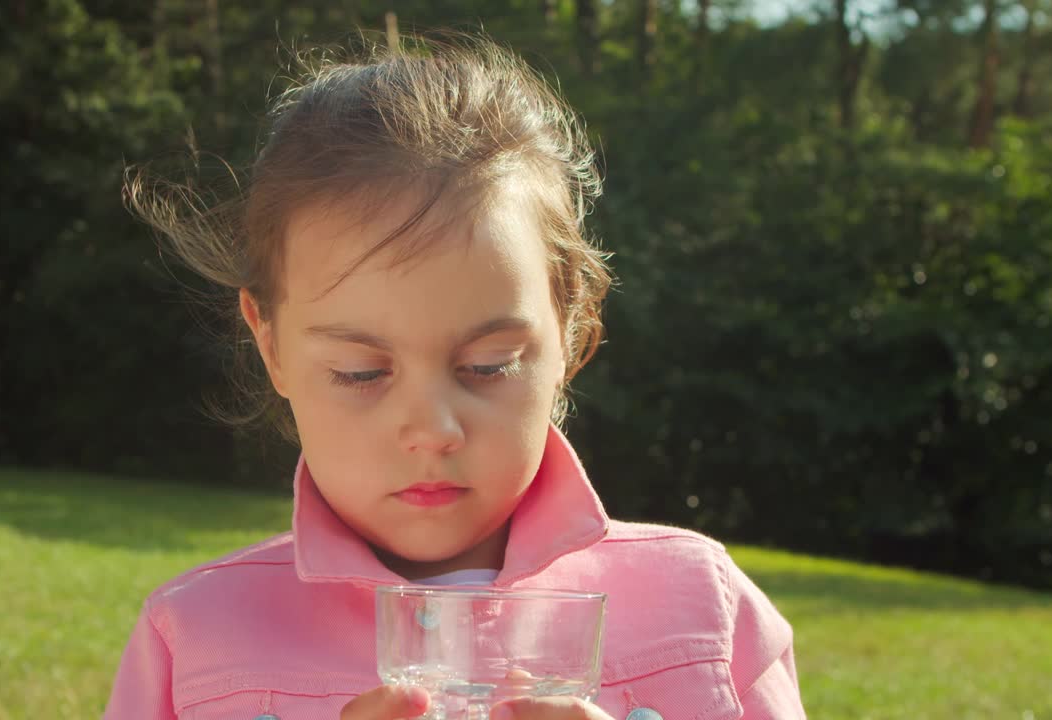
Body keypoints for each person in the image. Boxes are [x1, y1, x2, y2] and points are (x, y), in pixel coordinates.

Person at [104, 32, 805, 720]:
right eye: (359, 373)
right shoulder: (191, 642)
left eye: (487, 366)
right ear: (271, 345)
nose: (432, 431)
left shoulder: (705, 612)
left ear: (573, 332)